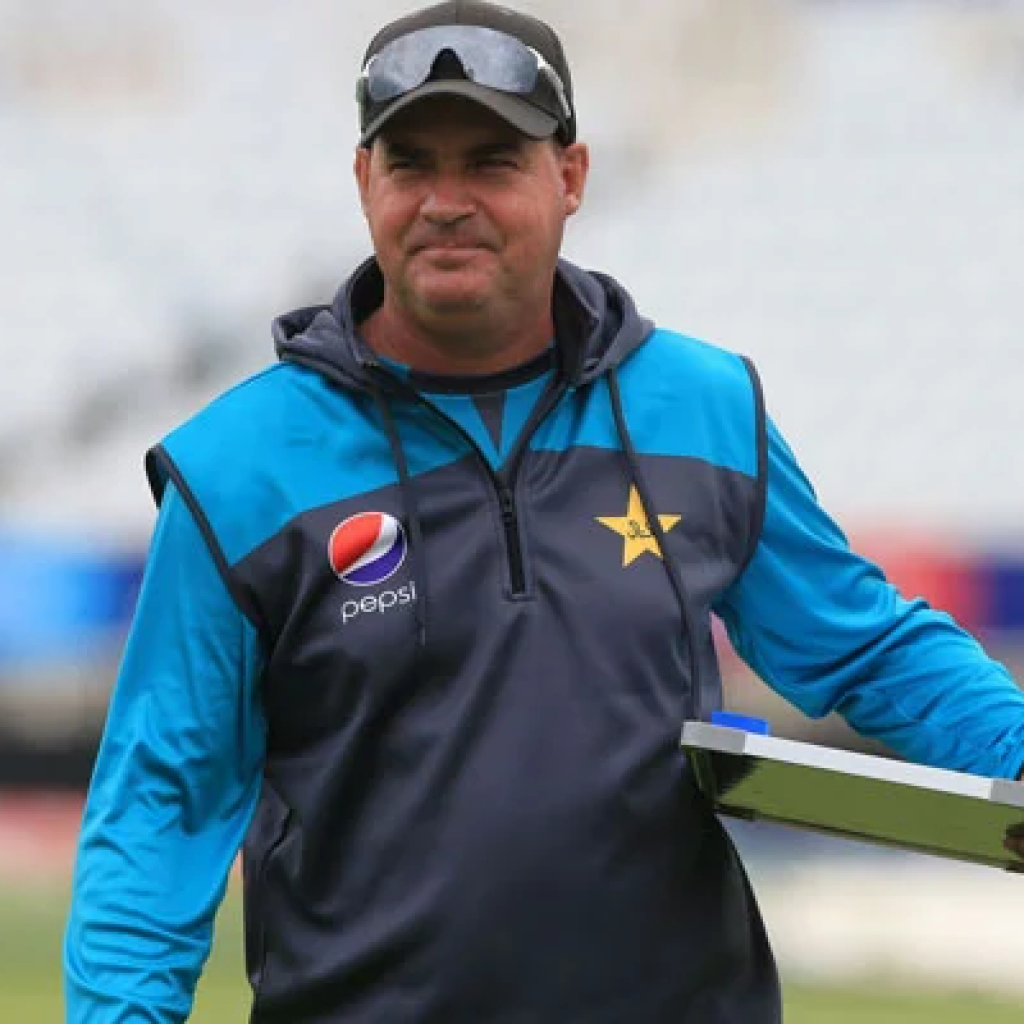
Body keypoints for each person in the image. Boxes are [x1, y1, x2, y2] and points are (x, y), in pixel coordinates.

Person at [64, 2, 1024, 1021]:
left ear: (570, 176)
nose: (446, 202)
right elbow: (159, 803)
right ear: (363, 181)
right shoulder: (237, 467)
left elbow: (868, 649)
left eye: (491, 162)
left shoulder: (701, 407)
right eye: (410, 164)